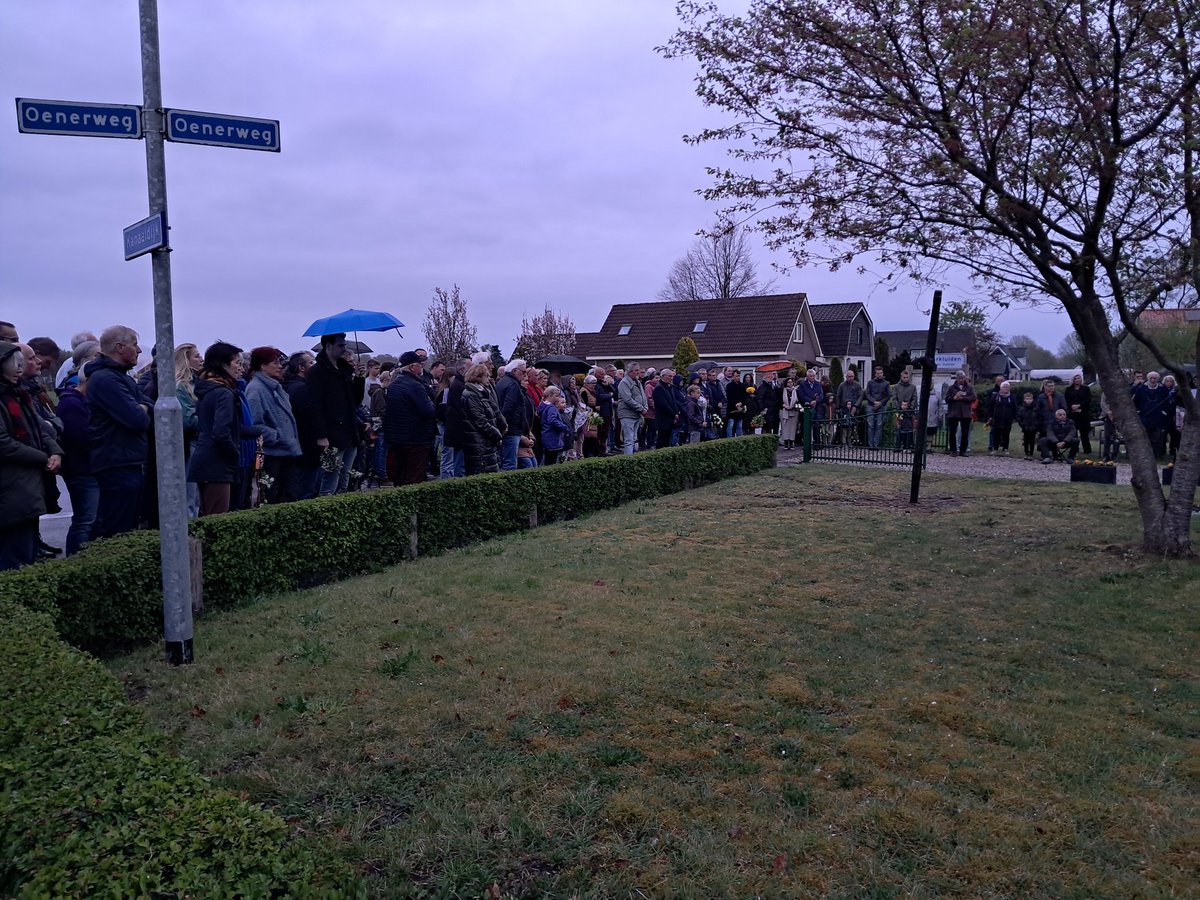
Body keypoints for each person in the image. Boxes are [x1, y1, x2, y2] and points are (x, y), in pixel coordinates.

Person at [0, 341, 62, 570]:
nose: (18, 368)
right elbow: (3, 443)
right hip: (11, 486)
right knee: (13, 555)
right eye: (13, 364)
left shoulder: (20, 394)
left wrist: (54, 451)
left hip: (26, 486)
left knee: (26, 551)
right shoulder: (8, 398)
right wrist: (42, 457)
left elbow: (40, 430)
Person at [86, 325, 151, 539]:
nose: (139, 351)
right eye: (135, 344)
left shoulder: (120, 377)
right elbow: (138, 418)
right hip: (116, 462)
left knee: (127, 522)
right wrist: (142, 407)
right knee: (116, 527)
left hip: (126, 460)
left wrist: (143, 406)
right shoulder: (107, 379)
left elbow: (148, 404)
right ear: (120, 347)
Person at [187, 342, 243, 516]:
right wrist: (234, 453)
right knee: (216, 518)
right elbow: (220, 431)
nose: (240, 368)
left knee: (208, 514)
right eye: (236, 363)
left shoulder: (209, 389)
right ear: (224, 365)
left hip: (205, 460)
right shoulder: (223, 393)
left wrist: (257, 431)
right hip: (217, 465)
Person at [307, 334, 362, 495]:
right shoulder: (317, 372)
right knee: (330, 480)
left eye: (344, 345)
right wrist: (321, 435)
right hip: (332, 433)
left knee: (344, 480)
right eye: (340, 345)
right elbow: (315, 406)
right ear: (328, 346)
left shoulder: (344, 369)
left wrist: (359, 379)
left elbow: (355, 401)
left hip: (349, 432)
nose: (344, 348)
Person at [245, 347, 302, 503]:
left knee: (289, 496)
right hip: (272, 454)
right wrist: (276, 436)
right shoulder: (255, 389)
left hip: (286, 451)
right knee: (272, 497)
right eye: (275, 362)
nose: (280, 366)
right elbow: (254, 424)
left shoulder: (275, 387)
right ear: (263, 366)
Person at [55, 359, 97, 554]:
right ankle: (76, 558)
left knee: (89, 518)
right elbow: (83, 438)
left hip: (87, 468)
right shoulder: (71, 403)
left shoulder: (80, 401)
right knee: (85, 520)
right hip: (81, 470)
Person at [385, 350, 438, 485]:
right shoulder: (416, 386)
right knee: (414, 477)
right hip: (416, 439)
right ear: (412, 367)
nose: (421, 367)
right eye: (419, 364)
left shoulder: (393, 385)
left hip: (396, 438)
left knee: (400, 476)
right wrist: (430, 396)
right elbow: (429, 411)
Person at [459, 364, 505, 474]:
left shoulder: (483, 392)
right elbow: (480, 421)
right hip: (478, 442)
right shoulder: (470, 395)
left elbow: (494, 411)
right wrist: (497, 434)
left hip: (486, 441)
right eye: (486, 376)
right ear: (478, 376)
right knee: (483, 472)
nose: (489, 378)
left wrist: (503, 425)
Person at [494, 358, 532, 471]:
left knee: (504, 460)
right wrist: (505, 426)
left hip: (506, 428)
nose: (525, 375)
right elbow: (509, 408)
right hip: (511, 429)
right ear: (514, 371)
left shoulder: (502, 382)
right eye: (523, 372)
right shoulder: (513, 385)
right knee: (510, 464)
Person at [1131, 370, 1173, 458]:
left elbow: (1167, 403)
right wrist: (1139, 411)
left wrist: (1164, 412)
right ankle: (1145, 455)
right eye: (1151, 378)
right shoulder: (1141, 388)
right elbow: (1135, 401)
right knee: (1145, 437)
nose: (1153, 380)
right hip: (1144, 416)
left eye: (1155, 378)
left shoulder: (1162, 389)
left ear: (1157, 379)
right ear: (1148, 378)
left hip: (1158, 417)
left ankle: (1156, 454)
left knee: (1157, 437)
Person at [616, 361, 647, 453]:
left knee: (634, 438)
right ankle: (628, 459)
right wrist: (641, 409)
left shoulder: (638, 382)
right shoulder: (624, 383)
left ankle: (633, 457)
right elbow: (628, 399)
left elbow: (643, 395)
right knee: (629, 439)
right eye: (636, 370)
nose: (638, 372)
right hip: (627, 414)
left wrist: (645, 407)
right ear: (630, 372)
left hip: (636, 414)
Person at [538, 386, 574, 464]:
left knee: (547, 459)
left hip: (546, 436)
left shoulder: (542, 406)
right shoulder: (551, 408)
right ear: (550, 396)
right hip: (553, 438)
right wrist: (564, 427)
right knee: (552, 461)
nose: (558, 398)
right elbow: (552, 420)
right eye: (557, 396)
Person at [944, 371, 976, 456]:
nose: (961, 380)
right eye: (959, 378)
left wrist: (963, 398)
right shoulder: (951, 388)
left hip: (965, 413)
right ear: (957, 379)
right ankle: (953, 450)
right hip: (954, 413)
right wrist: (954, 398)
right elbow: (947, 399)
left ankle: (963, 450)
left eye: (962, 378)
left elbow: (973, 397)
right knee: (952, 432)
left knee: (965, 432)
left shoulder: (969, 388)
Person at [1064, 373, 1093, 455]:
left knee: (1084, 433)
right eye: (1076, 378)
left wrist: (1079, 406)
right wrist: (1072, 407)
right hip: (1072, 414)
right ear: (1073, 380)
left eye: (1079, 378)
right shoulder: (1068, 389)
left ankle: (1087, 450)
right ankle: (1075, 449)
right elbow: (1066, 400)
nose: (1077, 380)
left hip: (1083, 413)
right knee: (1073, 432)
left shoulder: (1086, 389)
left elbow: (1088, 399)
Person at [987, 380, 1018, 455]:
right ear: (1001, 388)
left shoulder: (1012, 397)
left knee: (1006, 434)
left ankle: (1005, 448)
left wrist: (1014, 417)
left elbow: (1015, 408)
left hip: (1007, 419)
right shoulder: (996, 396)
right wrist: (990, 416)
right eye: (1004, 387)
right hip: (997, 418)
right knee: (996, 434)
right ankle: (995, 448)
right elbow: (990, 407)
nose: (1006, 389)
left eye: (1007, 387)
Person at [834, 369, 864, 445]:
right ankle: (841, 441)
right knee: (842, 427)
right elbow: (838, 396)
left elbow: (861, 396)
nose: (851, 378)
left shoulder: (857, 385)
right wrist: (838, 407)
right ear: (846, 377)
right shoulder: (842, 385)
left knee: (852, 427)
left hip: (854, 409)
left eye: (852, 376)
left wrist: (856, 405)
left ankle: (852, 441)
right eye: (849, 376)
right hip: (844, 409)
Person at [864, 365, 891, 448]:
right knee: (870, 424)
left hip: (881, 405)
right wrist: (874, 401)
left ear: (883, 373)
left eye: (881, 373)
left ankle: (876, 444)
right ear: (875, 374)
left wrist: (880, 403)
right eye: (878, 373)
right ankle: (870, 444)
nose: (879, 375)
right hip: (871, 405)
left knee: (879, 425)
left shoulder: (886, 383)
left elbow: (888, 395)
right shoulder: (870, 383)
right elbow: (867, 394)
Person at [891, 369, 918, 450]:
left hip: (909, 411)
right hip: (899, 411)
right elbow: (894, 398)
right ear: (901, 377)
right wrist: (899, 407)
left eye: (907, 377)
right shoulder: (896, 387)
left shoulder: (913, 387)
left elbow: (915, 398)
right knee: (899, 427)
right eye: (904, 377)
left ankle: (909, 445)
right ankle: (898, 446)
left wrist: (909, 407)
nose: (906, 379)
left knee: (909, 428)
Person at [797, 368, 823, 447]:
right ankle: (806, 443)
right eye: (811, 376)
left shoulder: (818, 384)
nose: (812, 377)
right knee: (806, 426)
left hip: (816, 408)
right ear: (807, 376)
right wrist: (810, 401)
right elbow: (801, 395)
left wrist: (816, 401)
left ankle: (817, 443)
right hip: (806, 408)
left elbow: (821, 394)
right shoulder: (803, 384)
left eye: (813, 376)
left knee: (816, 425)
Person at [1015, 391, 1041, 460]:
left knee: (1032, 441)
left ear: (1032, 399)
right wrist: (1022, 425)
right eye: (1027, 399)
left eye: (1030, 399)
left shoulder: (1036, 408)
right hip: (1025, 427)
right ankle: (1026, 453)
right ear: (1024, 399)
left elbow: (1039, 417)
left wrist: (1036, 425)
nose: (1028, 400)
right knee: (1026, 441)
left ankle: (1031, 454)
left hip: (1033, 427)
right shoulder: (1021, 408)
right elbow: (1019, 418)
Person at [779, 377, 800, 449]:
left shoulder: (796, 390)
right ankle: (786, 442)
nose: (790, 384)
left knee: (793, 427)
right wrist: (784, 405)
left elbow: (799, 400)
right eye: (788, 382)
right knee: (785, 427)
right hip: (784, 410)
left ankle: (791, 442)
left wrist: (793, 405)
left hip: (793, 411)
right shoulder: (782, 390)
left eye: (791, 382)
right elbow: (779, 400)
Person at [725, 369, 747, 437]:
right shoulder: (729, 386)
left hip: (740, 409)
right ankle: (729, 440)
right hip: (732, 409)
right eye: (736, 376)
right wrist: (736, 404)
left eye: (739, 376)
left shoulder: (742, 386)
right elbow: (729, 397)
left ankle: (739, 440)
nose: (738, 377)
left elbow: (745, 396)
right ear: (733, 376)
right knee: (730, 425)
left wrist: (741, 403)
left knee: (739, 426)